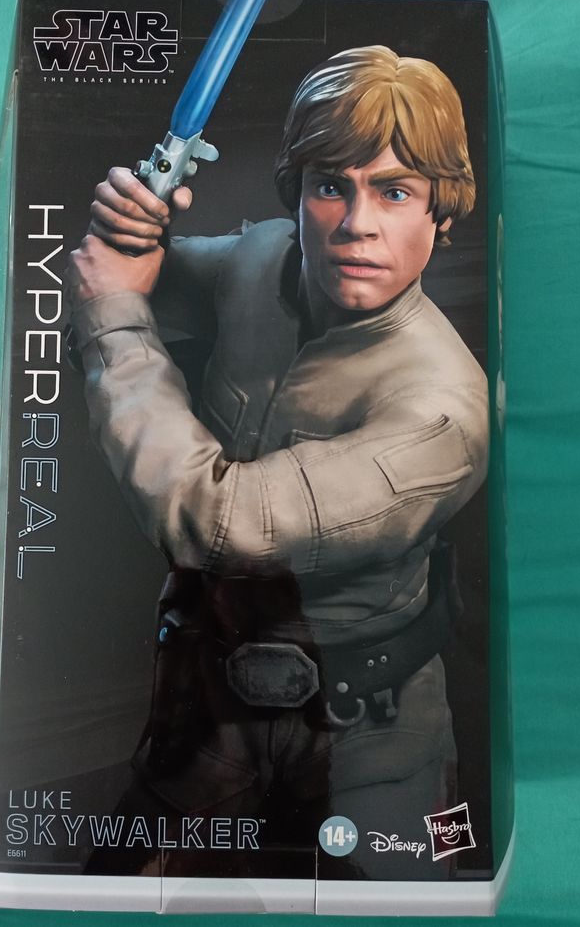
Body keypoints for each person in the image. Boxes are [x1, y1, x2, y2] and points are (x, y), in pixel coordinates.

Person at [66, 45, 487, 879]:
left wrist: (113, 312)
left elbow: (214, 522)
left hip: (370, 736)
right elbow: (127, 276)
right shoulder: (263, 257)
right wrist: (131, 226)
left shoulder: (441, 411)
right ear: (297, 195)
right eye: (331, 186)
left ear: (441, 214)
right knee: (108, 890)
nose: (357, 223)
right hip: (205, 699)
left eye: (395, 192)